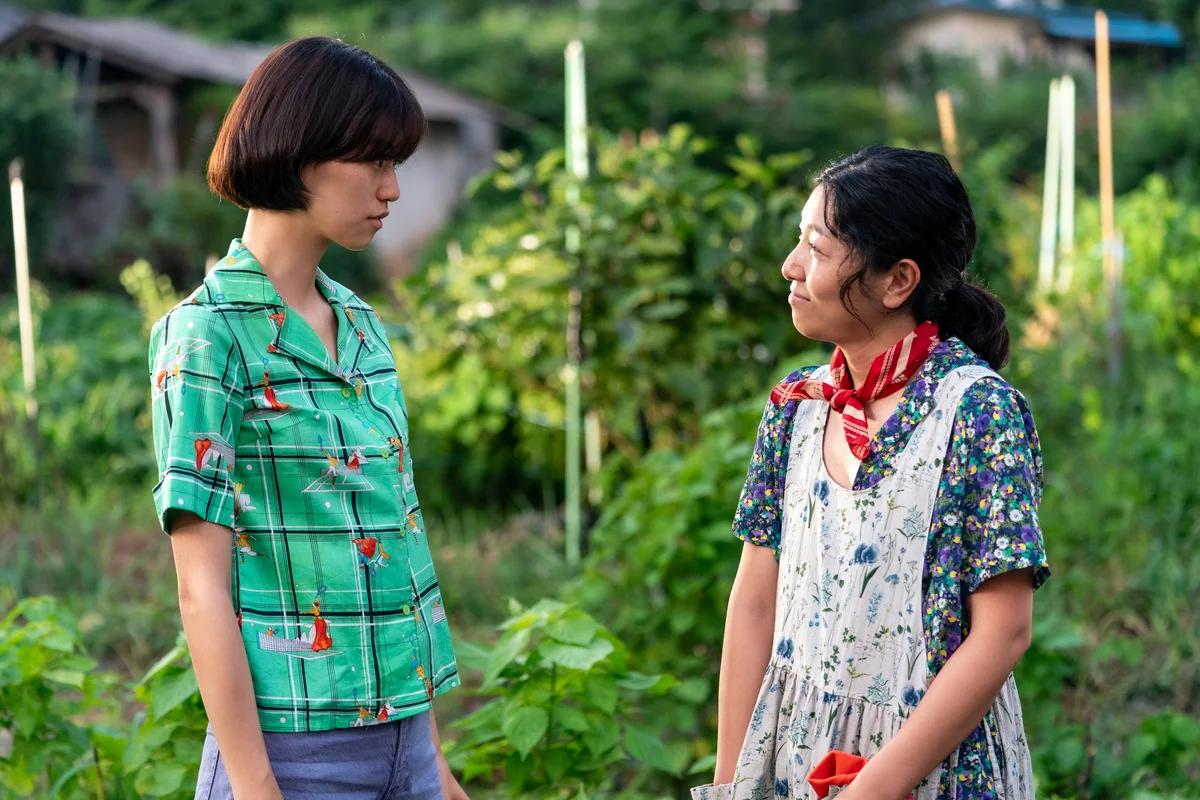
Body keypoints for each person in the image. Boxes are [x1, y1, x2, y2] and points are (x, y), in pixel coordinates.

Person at [148, 36, 469, 800]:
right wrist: (258, 787)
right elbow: (203, 590)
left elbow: (393, 553)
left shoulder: (362, 326)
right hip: (293, 756)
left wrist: (434, 767)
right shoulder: (208, 335)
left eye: (398, 164)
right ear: (300, 152)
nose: (392, 189)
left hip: (407, 744)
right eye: (375, 162)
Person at [692, 146, 1051, 799]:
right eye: (799, 242)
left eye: (818, 249)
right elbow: (754, 602)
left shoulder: (976, 413)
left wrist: (868, 792)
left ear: (896, 281)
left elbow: (1003, 633)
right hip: (794, 754)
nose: (790, 267)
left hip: (934, 769)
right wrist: (728, 785)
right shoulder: (797, 407)